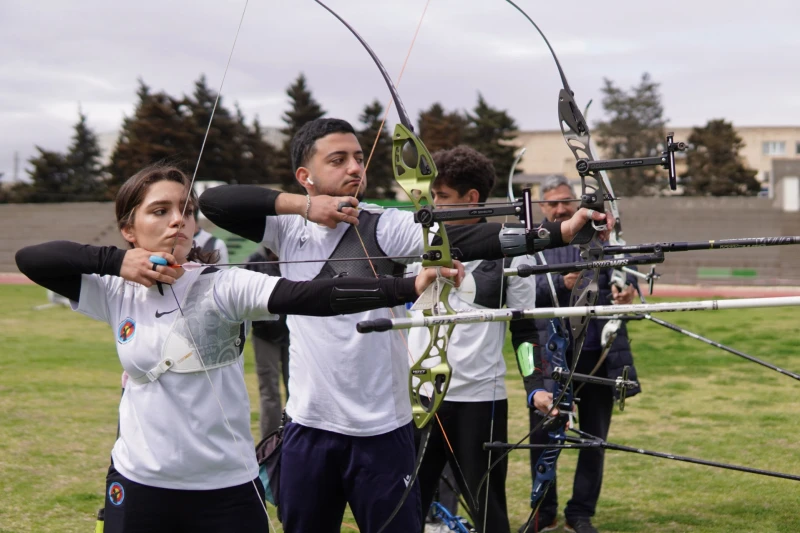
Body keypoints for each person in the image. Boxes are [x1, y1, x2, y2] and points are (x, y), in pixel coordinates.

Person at [198, 118, 611, 533]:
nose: (355, 168)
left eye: (358, 158)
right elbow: (215, 202)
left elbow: (463, 240)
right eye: (338, 160)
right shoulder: (285, 227)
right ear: (305, 176)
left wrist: (559, 231)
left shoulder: (382, 223)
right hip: (310, 427)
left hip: (385, 430)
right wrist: (305, 207)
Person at [14, 164, 463, 533]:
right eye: (160, 210)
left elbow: (310, 296)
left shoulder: (224, 285)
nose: (178, 220)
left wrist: (405, 284)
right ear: (128, 229)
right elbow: (31, 259)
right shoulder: (115, 292)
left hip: (226, 489)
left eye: (185, 211)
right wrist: (115, 263)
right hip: (140, 482)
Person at [406, 146, 554, 533]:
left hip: (479, 400)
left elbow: (524, 330)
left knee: (488, 509)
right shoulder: (415, 239)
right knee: (406, 506)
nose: (433, 205)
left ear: (471, 199)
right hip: (419, 396)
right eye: (432, 196)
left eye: (442, 197)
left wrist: (535, 384)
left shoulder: (514, 252)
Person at [521, 175, 641, 533]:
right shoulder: (534, 243)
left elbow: (626, 270)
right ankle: (544, 511)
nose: (560, 208)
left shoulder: (598, 233)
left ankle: (581, 512)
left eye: (565, 201)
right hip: (552, 357)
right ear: (542, 207)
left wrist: (627, 290)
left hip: (598, 355)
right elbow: (522, 292)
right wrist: (560, 283)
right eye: (552, 203)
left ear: (575, 202)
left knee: (594, 438)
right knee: (544, 436)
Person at [245, 245, 291, 438]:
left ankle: (294, 436)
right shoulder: (254, 262)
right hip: (264, 334)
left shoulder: (293, 255)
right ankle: (270, 443)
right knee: (269, 391)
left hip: (295, 333)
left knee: (298, 388)